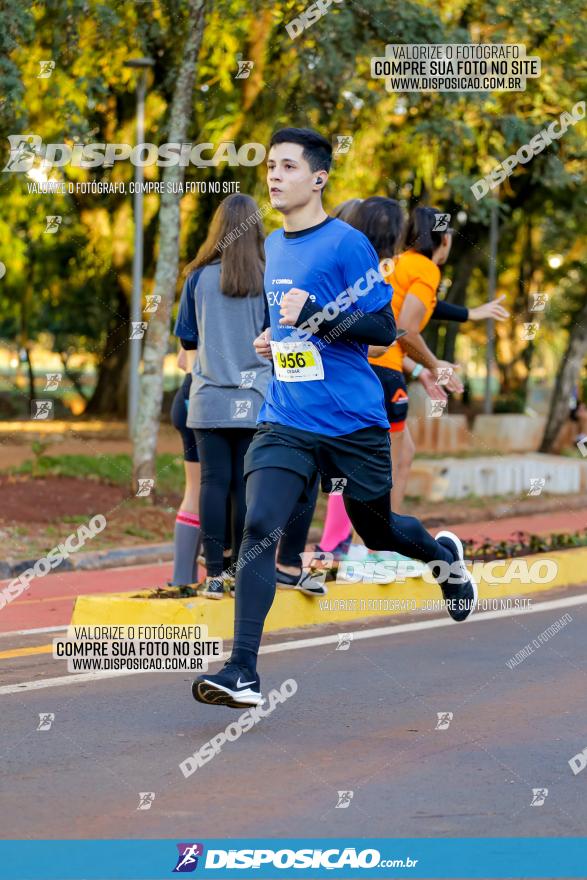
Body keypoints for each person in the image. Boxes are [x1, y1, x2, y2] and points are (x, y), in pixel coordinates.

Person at [192, 128, 478, 709]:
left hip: (352, 421)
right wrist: (274, 339)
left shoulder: (347, 245)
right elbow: (293, 327)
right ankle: (242, 670)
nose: (274, 175)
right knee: (259, 526)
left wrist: (320, 317)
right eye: (271, 165)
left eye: (288, 167)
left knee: (377, 529)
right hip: (287, 416)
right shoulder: (273, 242)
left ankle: (444, 560)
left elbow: (382, 330)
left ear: (318, 178)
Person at [174, 193, 272, 599]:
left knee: (213, 483)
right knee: (244, 487)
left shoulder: (197, 279)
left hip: (208, 397)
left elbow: (187, 339)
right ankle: (240, 571)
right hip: (254, 398)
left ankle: (213, 574)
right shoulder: (268, 279)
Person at [168, 343, 201, 587]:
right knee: (209, 490)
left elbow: (181, 360)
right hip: (203, 398)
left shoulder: (195, 305)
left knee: (196, 491)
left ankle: (184, 580)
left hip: (188, 394)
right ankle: (183, 581)